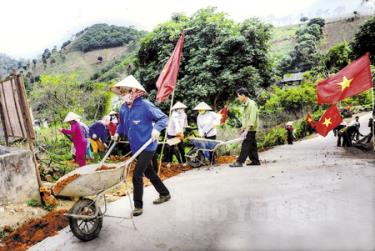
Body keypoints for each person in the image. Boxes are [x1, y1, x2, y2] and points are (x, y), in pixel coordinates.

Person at [112, 75, 170, 217]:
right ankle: (165, 193)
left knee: (137, 175)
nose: (123, 95)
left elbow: (163, 118)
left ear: (133, 91)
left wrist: (157, 129)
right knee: (149, 172)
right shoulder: (123, 108)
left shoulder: (145, 105)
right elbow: (121, 124)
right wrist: (118, 133)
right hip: (135, 147)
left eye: (125, 92)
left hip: (148, 145)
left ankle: (138, 206)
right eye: (122, 92)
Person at [230, 87, 260, 167]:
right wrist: (243, 128)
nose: (238, 98)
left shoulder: (252, 104)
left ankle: (239, 162)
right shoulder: (245, 104)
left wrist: (246, 130)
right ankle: (255, 161)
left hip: (251, 128)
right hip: (248, 128)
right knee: (252, 145)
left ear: (243, 95)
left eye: (238, 96)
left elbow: (252, 118)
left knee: (245, 145)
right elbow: (245, 119)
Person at [166, 101, 188, 167]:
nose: (180, 109)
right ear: (176, 109)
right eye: (179, 108)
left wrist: (184, 129)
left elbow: (185, 123)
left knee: (181, 147)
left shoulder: (184, 115)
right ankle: (169, 162)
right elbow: (176, 124)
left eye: (181, 108)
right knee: (171, 148)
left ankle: (184, 162)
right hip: (172, 133)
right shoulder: (174, 115)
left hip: (180, 133)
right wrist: (179, 132)